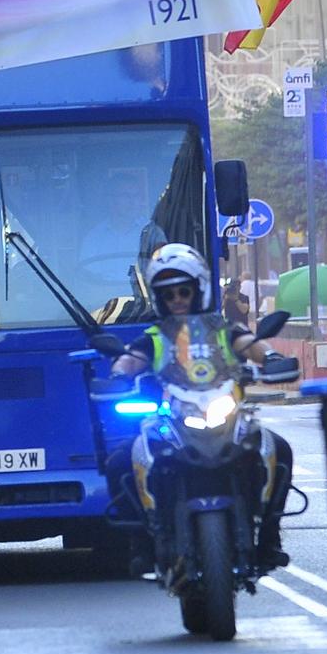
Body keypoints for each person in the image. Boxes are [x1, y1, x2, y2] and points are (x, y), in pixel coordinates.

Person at [109, 245, 292, 571]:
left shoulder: (222, 329)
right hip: (173, 417)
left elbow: (250, 344)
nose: (177, 299)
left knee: (279, 449)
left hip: (225, 413)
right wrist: (119, 373)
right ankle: (140, 543)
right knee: (121, 460)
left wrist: (273, 359)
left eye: (184, 291)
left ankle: (269, 539)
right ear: (159, 298)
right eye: (169, 294)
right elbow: (130, 358)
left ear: (199, 290)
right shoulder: (154, 336)